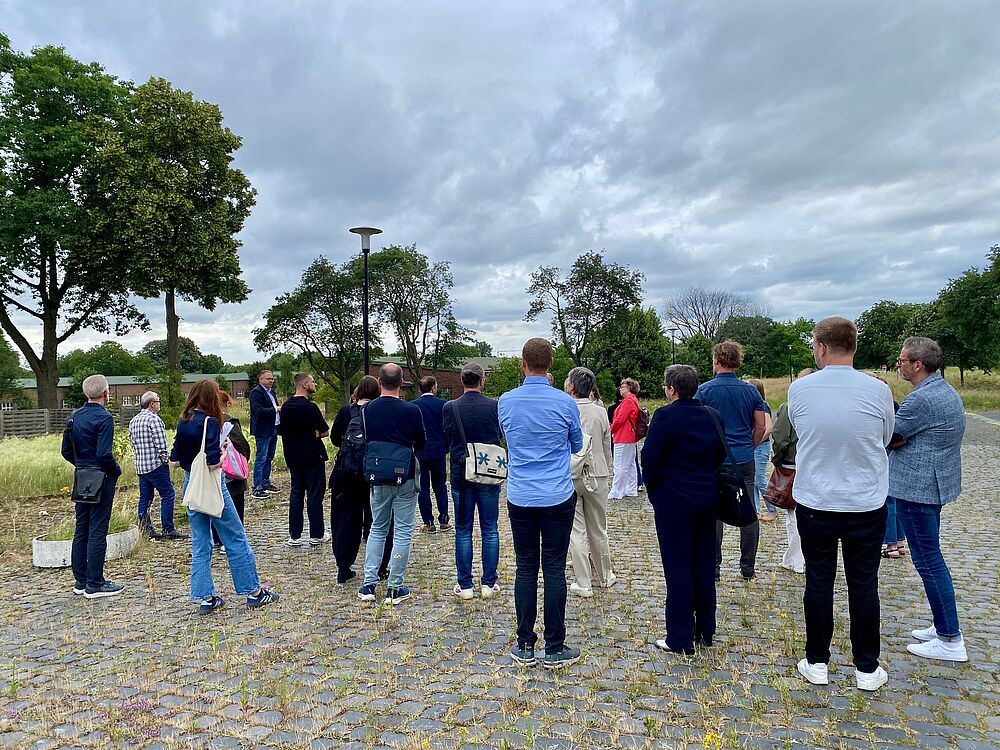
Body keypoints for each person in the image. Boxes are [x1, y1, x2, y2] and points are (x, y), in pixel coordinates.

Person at [789, 317, 894, 691]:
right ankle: (866, 667)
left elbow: (805, 431)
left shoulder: (800, 390)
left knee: (819, 580)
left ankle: (817, 660)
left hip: (817, 498)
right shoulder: (877, 390)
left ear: (820, 347)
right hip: (864, 500)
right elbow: (884, 436)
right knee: (863, 583)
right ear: (853, 347)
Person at [499, 338, 584, 669]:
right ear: (550, 362)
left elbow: (508, 436)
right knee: (553, 568)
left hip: (520, 494)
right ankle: (554, 645)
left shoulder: (506, 402)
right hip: (556, 494)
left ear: (523, 362)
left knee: (525, 567)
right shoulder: (565, 403)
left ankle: (524, 643)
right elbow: (577, 445)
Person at [169, 379, 279, 613]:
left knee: (201, 543)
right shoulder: (210, 422)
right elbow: (212, 462)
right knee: (235, 537)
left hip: (191, 484)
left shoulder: (184, 421)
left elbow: (175, 460)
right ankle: (254, 591)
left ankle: (205, 597)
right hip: (212, 484)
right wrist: (222, 453)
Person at [890, 337, 967, 662]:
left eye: (902, 359)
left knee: (929, 562)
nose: (898, 363)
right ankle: (942, 626)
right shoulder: (941, 390)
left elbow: (891, 437)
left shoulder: (920, 400)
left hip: (918, 488)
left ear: (918, 365)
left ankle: (950, 639)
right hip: (933, 483)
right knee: (930, 558)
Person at [642, 365, 726, 654]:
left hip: (674, 500)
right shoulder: (712, 416)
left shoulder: (665, 416)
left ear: (671, 389)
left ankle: (679, 635)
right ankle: (705, 627)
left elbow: (650, 458)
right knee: (703, 563)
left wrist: (655, 490)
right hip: (706, 496)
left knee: (677, 567)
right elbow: (720, 453)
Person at [695, 341, 767, 581]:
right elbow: (762, 425)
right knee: (748, 512)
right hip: (744, 459)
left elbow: (698, 425)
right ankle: (747, 568)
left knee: (713, 513)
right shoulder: (751, 391)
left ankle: (713, 567)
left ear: (716, 361)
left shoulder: (705, 391)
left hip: (715, 459)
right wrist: (751, 444)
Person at [357, 363, 426, 605]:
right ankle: (395, 588)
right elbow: (422, 442)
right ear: (401, 382)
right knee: (403, 530)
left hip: (377, 474)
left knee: (378, 527)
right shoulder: (411, 410)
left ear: (379, 381)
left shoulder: (367, 410)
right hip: (404, 474)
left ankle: (368, 584)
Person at [61, 374, 125, 599]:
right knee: (98, 529)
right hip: (101, 477)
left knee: (82, 528)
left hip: (82, 476)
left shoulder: (74, 416)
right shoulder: (105, 418)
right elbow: (104, 453)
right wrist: (115, 471)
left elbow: (65, 451)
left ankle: (80, 580)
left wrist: (82, 465)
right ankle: (95, 583)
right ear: (106, 393)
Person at [442, 362, 503, 599]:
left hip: (461, 471)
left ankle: (465, 585)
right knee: (490, 528)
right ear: (482, 380)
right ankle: (488, 583)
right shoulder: (494, 406)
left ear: (462, 381)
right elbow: (499, 434)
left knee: (463, 529)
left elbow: (446, 434)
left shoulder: (450, 407)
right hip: (489, 472)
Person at [329, 376, 393, 584]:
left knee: (346, 518)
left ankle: (343, 566)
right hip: (376, 471)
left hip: (347, 472)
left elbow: (335, 438)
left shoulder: (346, 411)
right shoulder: (381, 411)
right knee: (379, 519)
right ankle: (381, 566)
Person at [563, 367, 616, 598]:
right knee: (598, 527)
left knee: (576, 530)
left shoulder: (564, 409)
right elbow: (606, 445)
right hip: (598, 473)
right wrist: (609, 470)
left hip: (572, 474)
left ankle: (583, 582)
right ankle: (605, 576)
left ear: (572, 387)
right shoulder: (600, 412)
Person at [769, 368, 814, 574]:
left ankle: (796, 559)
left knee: (794, 516)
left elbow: (780, 438)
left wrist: (777, 460)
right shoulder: (824, 407)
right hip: (817, 464)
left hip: (793, 464)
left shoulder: (790, 407)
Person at [278, 373, 330, 547]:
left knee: (296, 493)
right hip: (312, 455)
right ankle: (316, 534)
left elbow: (282, 430)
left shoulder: (285, 407)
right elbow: (325, 431)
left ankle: (295, 535)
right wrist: (316, 433)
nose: (315, 384)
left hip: (292, 456)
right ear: (305, 384)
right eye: (313, 381)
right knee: (315, 494)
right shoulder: (310, 407)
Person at [128, 390, 186, 541]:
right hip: (155, 465)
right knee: (168, 494)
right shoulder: (154, 420)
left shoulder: (134, 420)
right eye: (158, 401)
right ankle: (168, 528)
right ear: (152, 404)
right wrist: (166, 460)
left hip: (141, 465)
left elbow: (133, 443)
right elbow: (161, 445)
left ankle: (146, 528)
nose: (159, 404)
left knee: (145, 497)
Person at [212, 391, 251, 551]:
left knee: (216, 505)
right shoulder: (229, 421)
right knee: (235, 504)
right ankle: (231, 539)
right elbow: (242, 445)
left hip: (213, 470)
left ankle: (216, 538)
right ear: (226, 404)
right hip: (231, 472)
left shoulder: (204, 421)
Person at [414, 376, 451, 532]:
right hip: (438, 451)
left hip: (420, 451)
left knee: (422, 488)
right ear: (433, 387)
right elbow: (448, 428)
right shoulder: (444, 405)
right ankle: (444, 519)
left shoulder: (413, 406)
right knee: (440, 486)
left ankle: (428, 522)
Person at [249, 370, 281, 500]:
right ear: (260, 379)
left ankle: (265, 482)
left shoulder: (271, 392)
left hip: (273, 428)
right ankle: (256, 487)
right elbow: (259, 411)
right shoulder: (256, 393)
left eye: (272, 379)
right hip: (263, 430)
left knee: (269, 457)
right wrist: (276, 409)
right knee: (261, 457)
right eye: (268, 379)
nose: (271, 381)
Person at [747, 379, 775, 521]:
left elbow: (768, 427)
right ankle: (756, 510)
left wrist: (755, 442)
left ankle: (772, 507)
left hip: (760, 447)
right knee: (753, 480)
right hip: (755, 446)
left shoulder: (762, 406)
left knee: (759, 480)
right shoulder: (753, 406)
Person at [608, 378, 641, 500]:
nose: (621, 389)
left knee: (619, 464)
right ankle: (631, 488)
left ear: (629, 388)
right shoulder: (633, 400)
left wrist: (611, 429)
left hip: (623, 435)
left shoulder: (627, 402)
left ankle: (617, 491)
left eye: (623, 387)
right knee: (630, 464)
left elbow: (619, 419)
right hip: (630, 436)